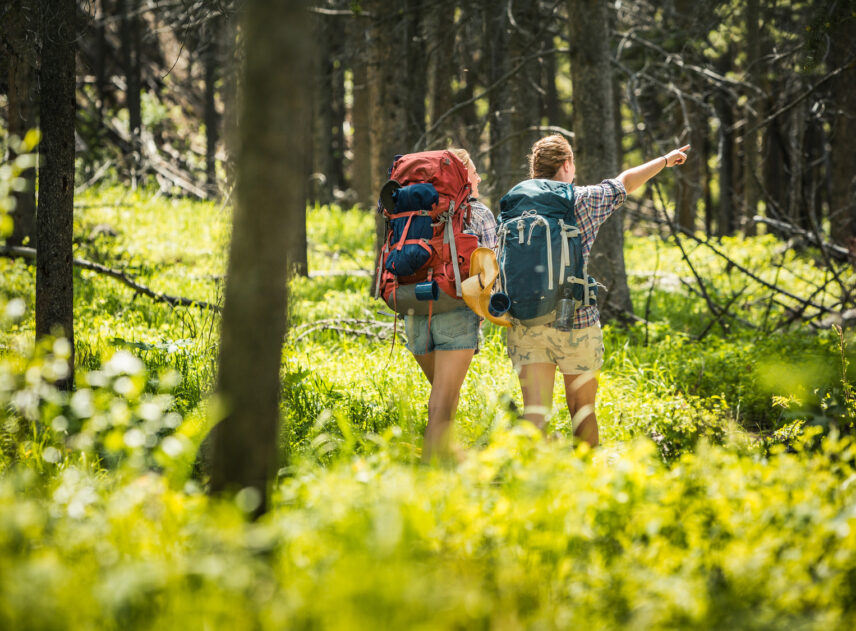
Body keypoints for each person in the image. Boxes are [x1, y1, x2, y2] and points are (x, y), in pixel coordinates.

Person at [505, 134, 689, 447]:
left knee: (535, 414)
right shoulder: (585, 200)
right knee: (582, 410)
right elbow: (625, 182)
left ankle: (531, 487)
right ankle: (588, 483)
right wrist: (666, 160)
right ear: (567, 164)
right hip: (576, 321)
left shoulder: (514, 207)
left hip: (526, 322)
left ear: (534, 170)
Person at [405, 148, 497, 462]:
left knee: (444, 393)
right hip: (455, 310)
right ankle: (433, 479)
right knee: (442, 402)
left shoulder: (412, 212)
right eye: (472, 172)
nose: (479, 177)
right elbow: (490, 268)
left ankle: (450, 457)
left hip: (413, 306)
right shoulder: (478, 213)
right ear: (460, 176)